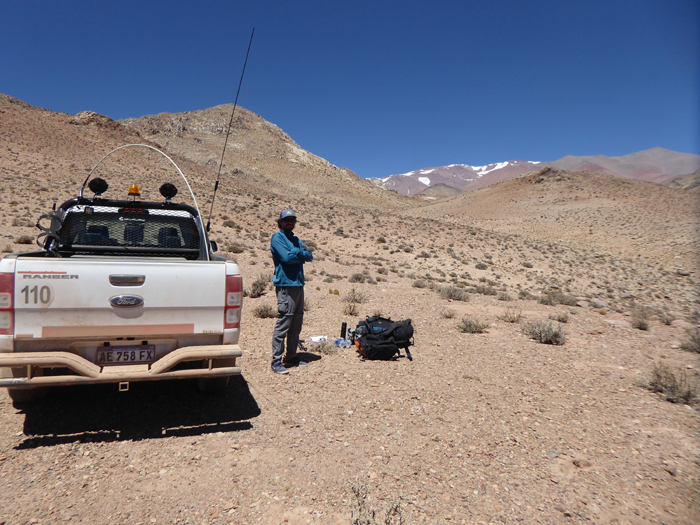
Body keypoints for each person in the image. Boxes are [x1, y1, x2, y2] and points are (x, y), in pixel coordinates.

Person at [269, 209, 313, 374]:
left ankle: (292, 356)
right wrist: (299, 254)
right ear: (280, 222)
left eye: (292, 220)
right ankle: (276, 361)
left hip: (298, 285)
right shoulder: (277, 238)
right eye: (286, 220)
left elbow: (309, 256)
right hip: (286, 286)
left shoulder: (295, 239)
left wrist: (297, 252)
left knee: (296, 324)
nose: (290, 222)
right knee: (284, 323)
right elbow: (286, 259)